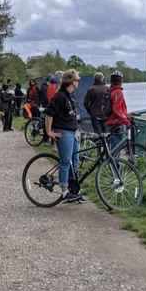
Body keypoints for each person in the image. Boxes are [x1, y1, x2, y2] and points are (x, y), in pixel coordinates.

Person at [44, 69, 85, 204]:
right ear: (72, 82)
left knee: (75, 160)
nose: (79, 82)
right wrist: (49, 132)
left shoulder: (69, 96)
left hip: (72, 132)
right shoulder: (60, 96)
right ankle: (64, 191)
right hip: (64, 132)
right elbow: (49, 114)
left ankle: (73, 190)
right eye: (77, 80)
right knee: (66, 162)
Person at [105, 70, 130, 152]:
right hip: (116, 123)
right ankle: (114, 164)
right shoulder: (118, 92)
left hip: (110, 122)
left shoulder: (110, 90)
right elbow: (117, 110)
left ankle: (112, 163)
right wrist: (126, 120)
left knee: (113, 147)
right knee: (116, 149)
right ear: (120, 81)